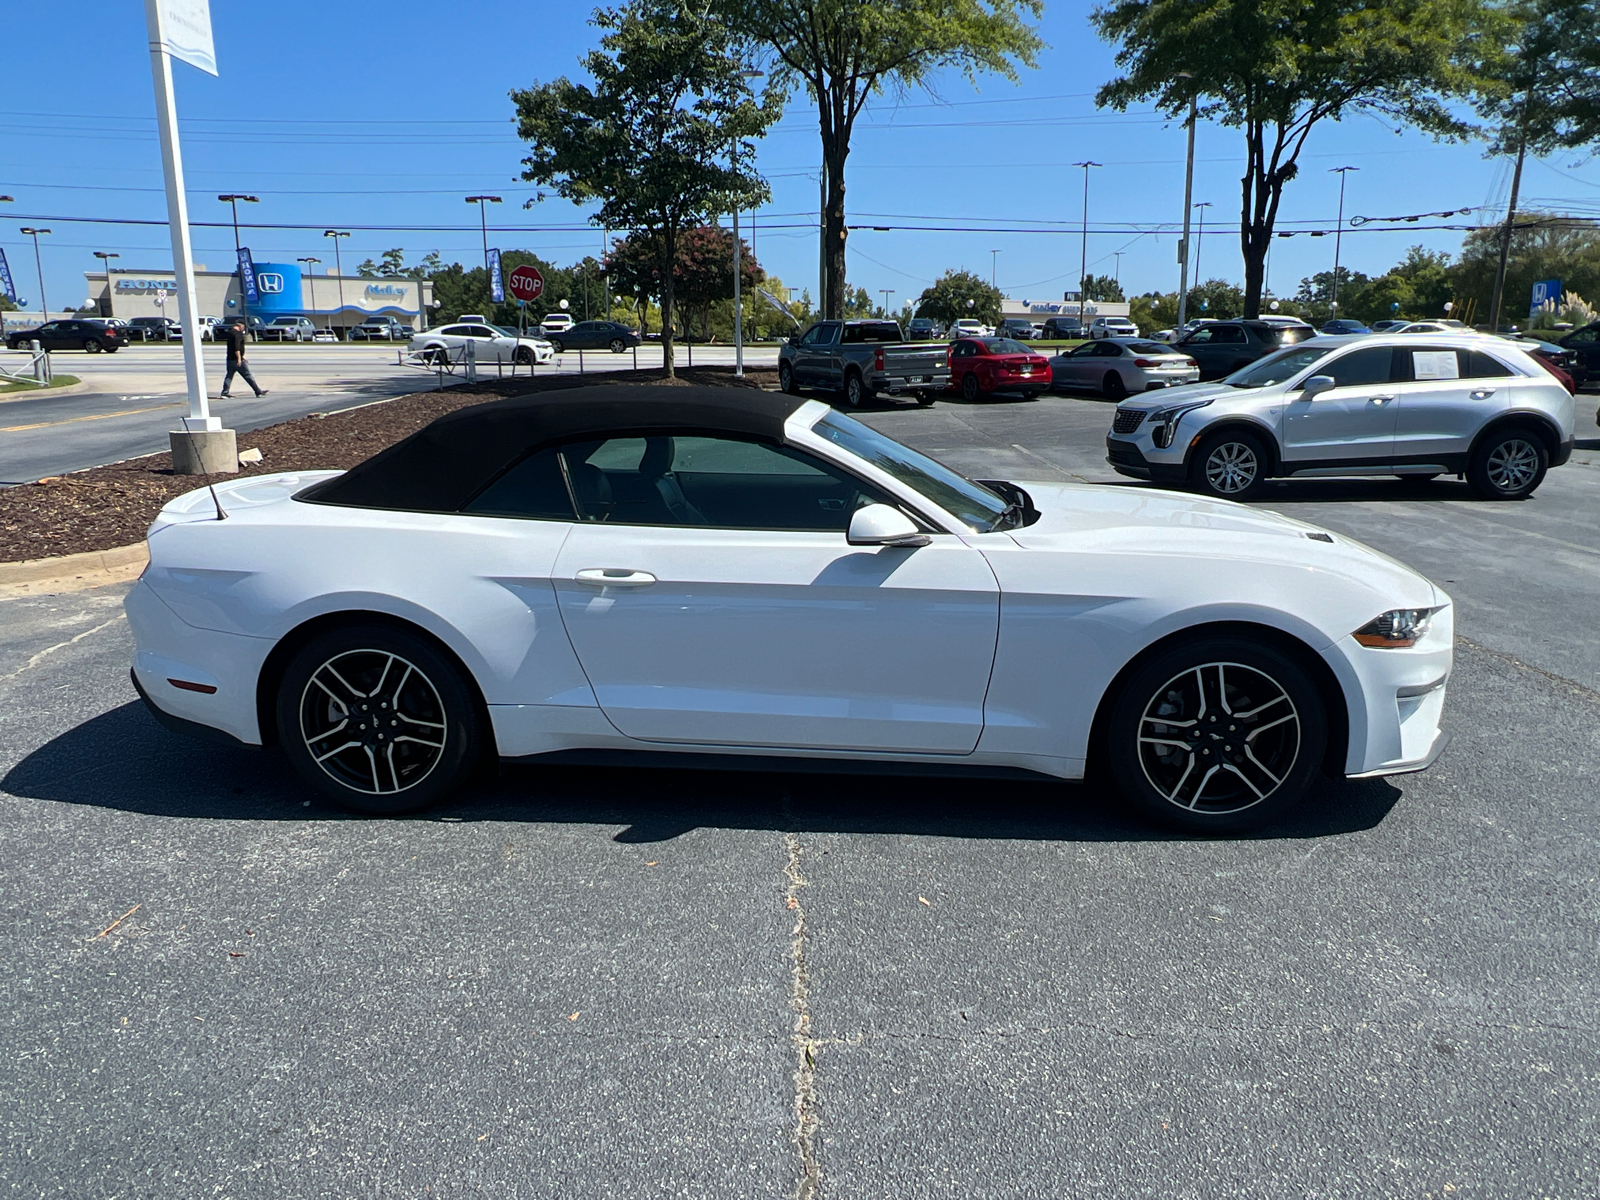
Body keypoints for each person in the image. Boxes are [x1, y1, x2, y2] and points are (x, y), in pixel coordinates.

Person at [220, 318, 267, 398]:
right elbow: (236, 347)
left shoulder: (230, 333)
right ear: (240, 325)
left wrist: (242, 357)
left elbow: (232, 347)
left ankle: (225, 393)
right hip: (237, 360)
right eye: (243, 326)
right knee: (247, 375)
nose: (244, 328)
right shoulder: (237, 334)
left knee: (229, 375)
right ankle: (258, 392)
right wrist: (239, 358)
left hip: (230, 359)